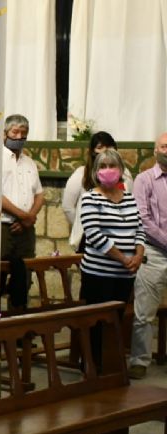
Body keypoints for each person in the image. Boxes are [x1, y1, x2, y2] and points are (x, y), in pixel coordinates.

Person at [79, 148, 144, 372]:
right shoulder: (90, 197)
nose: (108, 171)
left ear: (121, 171)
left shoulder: (128, 198)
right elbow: (95, 235)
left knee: (116, 320)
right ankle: (92, 366)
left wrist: (138, 255)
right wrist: (123, 259)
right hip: (98, 273)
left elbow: (139, 229)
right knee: (97, 322)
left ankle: (112, 368)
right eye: (103, 167)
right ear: (96, 172)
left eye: (112, 166)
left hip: (124, 275)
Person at [128, 132, 167, 379]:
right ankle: (140, 360)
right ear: (155, 151)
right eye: (164, 146)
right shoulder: (144, 180)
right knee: (144, 312)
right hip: (154, 252)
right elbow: (142, 218)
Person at [0, 114, 44, 312]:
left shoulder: (29, 163)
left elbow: (40, 195)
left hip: (26, 229)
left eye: (23, 133)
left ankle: (18, 330)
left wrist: (29, 218)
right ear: (5, 134)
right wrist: (23, 216)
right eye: (14, 132)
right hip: (3, 227)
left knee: (24, 278)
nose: (19, 137)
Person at [62, 131, 133, 228]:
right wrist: (83, 228)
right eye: (100, 148)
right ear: (92, 151)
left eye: (109, 147)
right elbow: (68, 206)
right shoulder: (81, 174)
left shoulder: (125, 174)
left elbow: (130, 203)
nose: (105, 151)